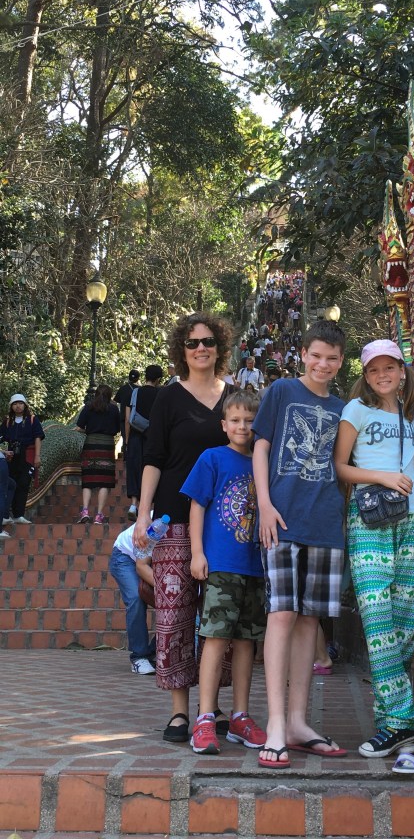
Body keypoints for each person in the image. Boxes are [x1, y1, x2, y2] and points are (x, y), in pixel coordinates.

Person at [132, 312, 233, 744]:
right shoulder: (168, 398)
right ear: (182, 350)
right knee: (174, 616)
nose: (201, 348)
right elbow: (153, 458)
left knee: (218, 618)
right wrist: (143, 514)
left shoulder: (234, 397)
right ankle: (179, 711)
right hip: (173, 519)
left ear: (219, 347)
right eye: (193, 343)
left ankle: (212, 706)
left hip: (224, 524)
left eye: (208, 341)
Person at [252, 320, 348, 768]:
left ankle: (297, 722)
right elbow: (261, 448)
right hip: (282, 520)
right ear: (303, 355)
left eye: (332, 358)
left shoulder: (345, 409)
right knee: (281, 615)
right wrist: (264, 505)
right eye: (316, 356)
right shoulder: (282, 391)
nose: (322, 364)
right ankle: (274, 723)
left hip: (326, 523)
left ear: (341, 362)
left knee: (310, 621)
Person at [334, 339, 414, 758]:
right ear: (365, 375)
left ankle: (389, 721)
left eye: (389, 367)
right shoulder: (356, 410)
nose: (382, 375)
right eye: (374, 370)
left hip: (412, 517)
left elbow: (410, 465)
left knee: (405, 623)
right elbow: (340, 467)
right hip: (369, 519)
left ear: (402, 369)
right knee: (377, 617)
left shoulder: (410, 414)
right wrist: (381, 477)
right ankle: (403, 720)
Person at [183, 391, 266, 755]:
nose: (242, 427)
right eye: (235, 420)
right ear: (224, 425)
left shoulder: (263, 462)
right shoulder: (212, 458)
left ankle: (240, 717)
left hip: (256, 566)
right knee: (215, 638)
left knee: (247, 641)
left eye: (249, 420)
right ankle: (204, 718)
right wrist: (198, 553)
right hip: (221, 565)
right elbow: (197, 506)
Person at [109, 523, 156, 675]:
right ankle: (139, 657)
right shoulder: (158, 525)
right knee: (136, 598)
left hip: (149, 560)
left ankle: (154, 652)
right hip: (125, 556)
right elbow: (141, 567)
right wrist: (165, 590)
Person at [75, 384, 121, 525]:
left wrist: (90, 430)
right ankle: (99, 515)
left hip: (90, 444)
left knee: (88, 479)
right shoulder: (114, 409)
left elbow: (79, 426)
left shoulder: (88, 407)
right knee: (104, 481)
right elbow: (117, 429)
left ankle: (85, 511)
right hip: (106, 445)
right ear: (109, 395)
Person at [125, 365, 163, 522]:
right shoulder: (160, 394)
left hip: (136, 434)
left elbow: (129, 418)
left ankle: (133, 504)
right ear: (158, 379)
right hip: (153, 437)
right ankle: (146, 507)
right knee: (150, 468)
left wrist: (126, 440)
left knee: (134, 467)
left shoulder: (136, 392)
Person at [0, 394, 45, 524]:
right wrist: (3, 452)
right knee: (10, 484)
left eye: (20, 403)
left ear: (25, 405)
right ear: (11, 406)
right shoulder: (7, 421)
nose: (18, 406)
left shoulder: (32, 420)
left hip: (28, 455)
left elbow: (38, 437)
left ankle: (19, 514)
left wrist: (37, 456)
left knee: (24, 483)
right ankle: (5, 515)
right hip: (11, 456)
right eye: (15, 404)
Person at [115, 370, 141, 458]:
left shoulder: (123, 388)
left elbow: (116, 401)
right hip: (136, 419)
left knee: (125, 439)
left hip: (123, 417)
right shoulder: (140, 390)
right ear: (138, 378)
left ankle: (126, 457)